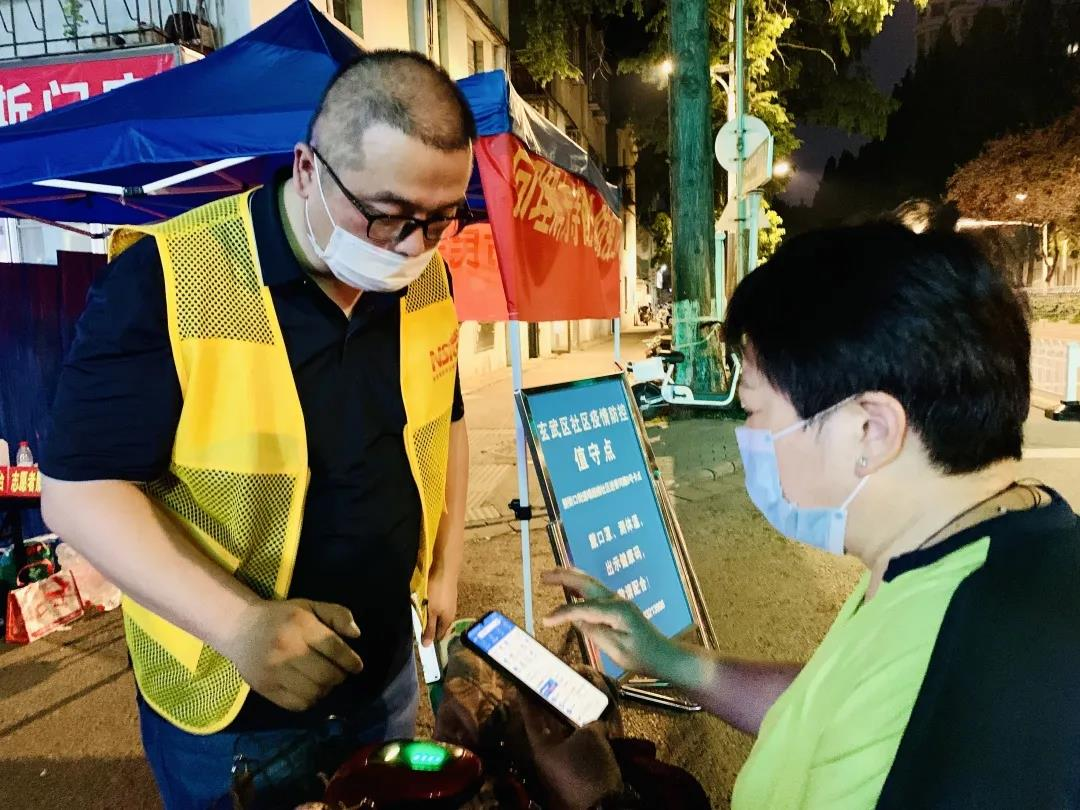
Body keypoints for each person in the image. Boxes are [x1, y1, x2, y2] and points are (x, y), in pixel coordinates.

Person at [40, 50, 474, 809]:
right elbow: (76, 492)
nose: (413, 247)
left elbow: (447, 419)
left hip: (386, 677)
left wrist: (446, 565)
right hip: (233, 708)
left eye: (441, 219)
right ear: (307, 170)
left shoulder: (425, 278)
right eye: (387, 215)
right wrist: (238, 626)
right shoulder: (170, 278)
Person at [544, 223, 1080, 808]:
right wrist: (668, 659)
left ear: (870, 430)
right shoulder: (974, 544)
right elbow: (829, 709)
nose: (748, 439)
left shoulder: (966, 662)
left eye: (754, 409)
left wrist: (598, 797)